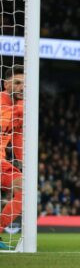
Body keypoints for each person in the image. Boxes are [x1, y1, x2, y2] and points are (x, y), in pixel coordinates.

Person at [0, 66, 24, 249]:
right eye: (17, 83)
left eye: (25, 84)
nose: (22, 87)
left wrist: (25, 162)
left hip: (2, 163)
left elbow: (17, 140)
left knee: (26, 191)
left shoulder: (19, 110)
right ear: (6, 84)